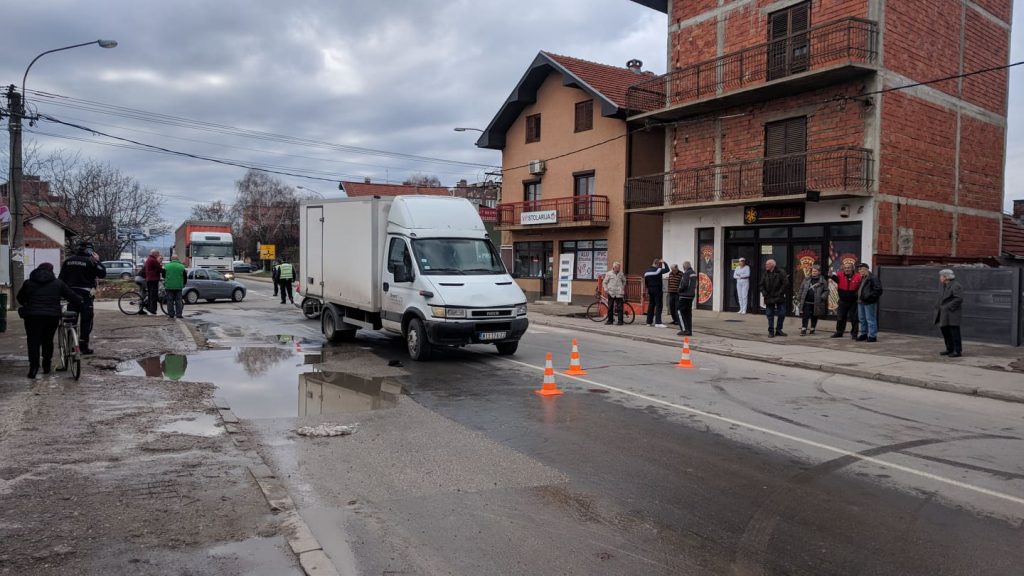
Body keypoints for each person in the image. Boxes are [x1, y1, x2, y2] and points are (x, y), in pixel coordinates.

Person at [17, 262, 83, 378]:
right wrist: (81, 300)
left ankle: (33, 368)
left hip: (33, 317)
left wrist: (28, 303)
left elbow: (20, 298)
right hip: (51, 316)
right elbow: (72, 296)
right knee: (47, 340)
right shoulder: (58, 283)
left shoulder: (28, 283)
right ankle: (46, 365)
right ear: (51, 271)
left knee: (33, 341)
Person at [59, 241, 106, 355]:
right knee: (86, 321)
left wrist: (62, 294)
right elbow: (102, 273)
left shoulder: (68, 261)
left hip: (71, 295)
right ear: (90, 250)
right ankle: (83, 346)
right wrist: (97, 261)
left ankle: (71, 345)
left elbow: (61, 279)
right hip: (86, 295)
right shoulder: (91, 261)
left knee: (71, 320)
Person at [830, 260, 862, 339]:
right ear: (843, 269)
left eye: (849, 268)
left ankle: (854, 334)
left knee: (854, 319)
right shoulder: (839, 275)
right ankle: (839, 332)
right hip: (843, 301)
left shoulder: (858, 276)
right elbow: (832, 277)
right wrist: (830, 274)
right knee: (840, 317)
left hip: (853, 302)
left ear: (852, 268)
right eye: (845, 268)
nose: (847, 269)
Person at [935, 269, 963, 357]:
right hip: (943, 313)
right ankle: (949, 349)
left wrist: (948, 307)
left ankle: (957, 351)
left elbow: (959, 299)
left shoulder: (956, 285)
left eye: (941, 276)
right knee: (945, 331)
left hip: (952, 313)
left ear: (946, 277)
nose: (940, 278)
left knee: (954, 332)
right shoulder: (943, 285)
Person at [759, 259, 788, 337]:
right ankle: (771, 331)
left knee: (782, 314)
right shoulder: (765, 273)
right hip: (769, 297)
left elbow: (785, 284)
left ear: (772, 265)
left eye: (767, 264)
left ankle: (779, 330)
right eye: (766, 264)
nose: (766, 265)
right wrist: (764, 293)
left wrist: (779, 293)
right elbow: (761, 285)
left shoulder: (781, 272)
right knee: (769, 315)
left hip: (779, 296)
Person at [796, 265, 828, 335]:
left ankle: (812, 328)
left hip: (816, 302)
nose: (814, 272)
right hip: (806, 301)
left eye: (815, 271)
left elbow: (826, 290)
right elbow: (801, 288)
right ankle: (804, 329)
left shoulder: (823, 281)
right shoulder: (806, 279)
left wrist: (822, 297)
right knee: (805, 315)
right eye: (813, 271)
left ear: (819, 272)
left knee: (815, 315)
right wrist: (799, 297)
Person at [856, 263, 883, 342]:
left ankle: (872, 336)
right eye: (859, 269)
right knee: (862, 319)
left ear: (866, 269)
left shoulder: (873, 278)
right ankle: (863, 334)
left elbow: (878, 290)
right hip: (860, 302)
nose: (859, 270)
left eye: (861, 269)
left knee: (870, 319)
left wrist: (869, 297)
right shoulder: (863, 278)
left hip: (869, 302)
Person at [643, 258, 670, 327]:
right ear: (657, 264)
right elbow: (667, 270)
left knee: (651, 305)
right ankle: (658, 322)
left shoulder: (646, 272)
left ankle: (648, 322)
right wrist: (664, 263)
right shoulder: (658, 270)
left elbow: (646, 282)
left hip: (650, 290)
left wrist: (648, 289)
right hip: (657, 290)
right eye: (659, 264)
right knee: (659, 305)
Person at [162, 255, 188, 319]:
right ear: (177, 259)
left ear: (171, 259)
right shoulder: (182, 266)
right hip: (178, 286)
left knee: (170, 301)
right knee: (178, 301)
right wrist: (184, 284)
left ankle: (171, 314)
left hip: (169, 286)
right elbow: (185, 277)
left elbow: (163, 275)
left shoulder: (166, 266)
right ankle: (179, 314)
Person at [676, 261, 697, 336]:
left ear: (685, 267)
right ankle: (689, 330)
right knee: (688, 313)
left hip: (684, 295)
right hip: (691, 295)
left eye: (683, 266)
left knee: (679, 311)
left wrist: (679, 290)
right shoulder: (693, 273)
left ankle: (684, 330)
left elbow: (684, 284)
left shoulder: (686, 273)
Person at [603, 262, 627, 326]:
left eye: (619, 267)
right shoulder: (609, 274)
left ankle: (620, 321)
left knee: (620, 308)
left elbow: (624, 281)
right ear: (614, 267)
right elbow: (604, 282)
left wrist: (622, 287)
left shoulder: (621, 274)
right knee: (610, 307)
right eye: (618, 267)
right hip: (611, 293)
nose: (619, 268)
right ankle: (610, 321)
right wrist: (606, 289)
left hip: (619, 293)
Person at [143, 249, 163, 315]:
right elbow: (159, 269)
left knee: (150, 294)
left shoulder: (148, 259)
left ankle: (149, 307)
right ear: (154, 254)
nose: (158, 255)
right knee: (154, 295)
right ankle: (153, 310)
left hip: (149, 279)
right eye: (158, 254)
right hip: (153, 279)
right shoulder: (153, 260)